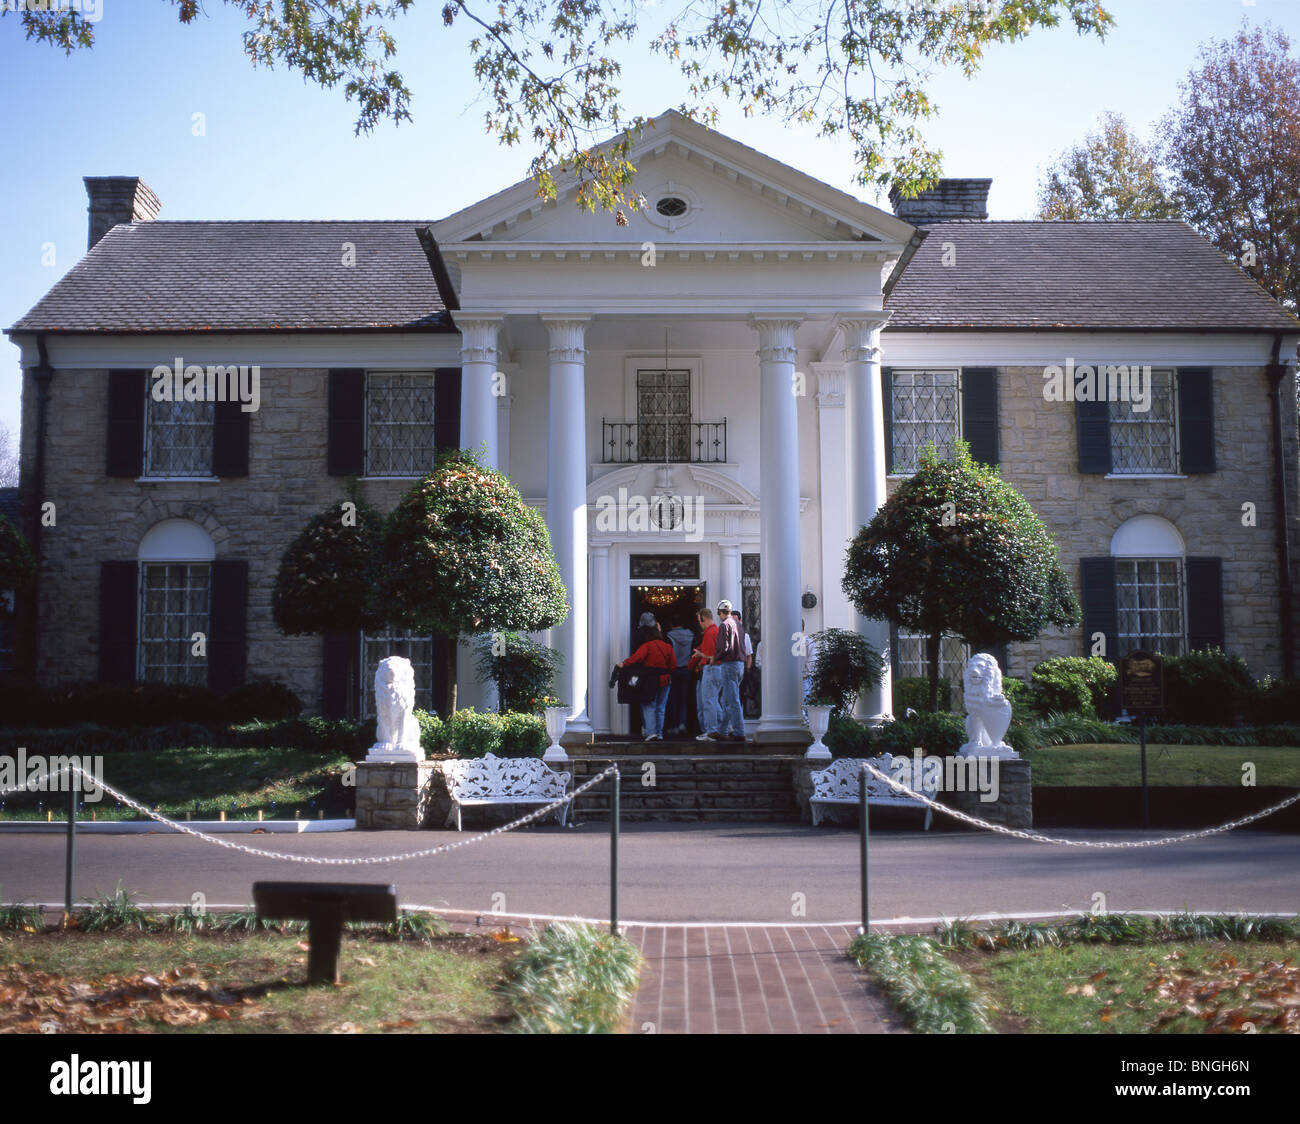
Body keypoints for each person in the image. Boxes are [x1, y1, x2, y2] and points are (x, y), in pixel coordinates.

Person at [623, 621, 675, 741]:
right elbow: (673, 665)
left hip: (650, 680)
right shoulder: (668, 647)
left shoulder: (647, 646)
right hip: (665, 680)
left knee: (648, 705)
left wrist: (624, 663)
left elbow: (636, 658)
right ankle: (659, 733)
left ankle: (651, 732)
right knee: (661, 708)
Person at [702, 599, 745, 742]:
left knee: (732, 700)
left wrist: (715, 657)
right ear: (730, 611)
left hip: (730, 664)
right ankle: (722, 730)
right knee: (727, 699)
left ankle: (739, 732)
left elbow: (723, 647)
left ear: (719, 612)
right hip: (740, 665)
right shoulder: (738, 624)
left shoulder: (724, 625)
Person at [664, 613, 696, 738]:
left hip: (674, 669)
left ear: (671, 624)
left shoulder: (668, 636)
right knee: (683, 699)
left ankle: (674, 726)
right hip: (687, 669)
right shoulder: (691, 635)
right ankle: (683, 723)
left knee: (672, 699)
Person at [689, 608, 719, 738]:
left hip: (710, 669)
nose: (699, 623)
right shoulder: (715, 631)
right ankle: (722, 727)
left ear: (703, 619)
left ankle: (711, 730)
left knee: (708, 702)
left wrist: (700, 657)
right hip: (716, 669)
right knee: (714, 702)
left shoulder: (710, 633)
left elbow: (710, 656)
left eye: (699, 620)